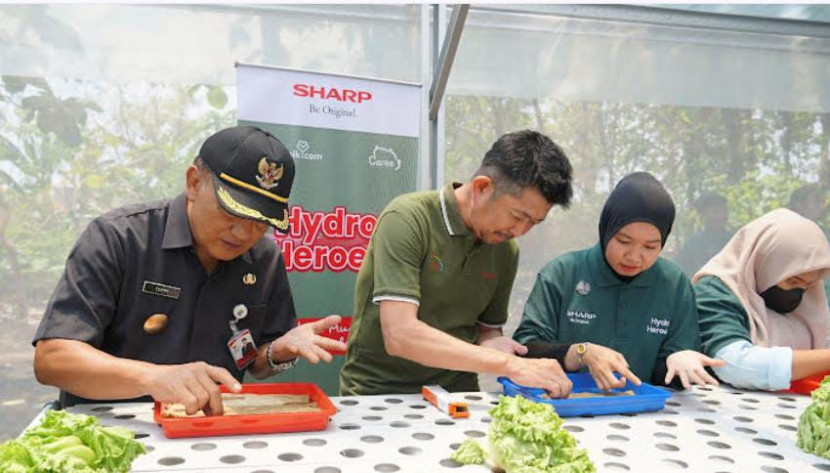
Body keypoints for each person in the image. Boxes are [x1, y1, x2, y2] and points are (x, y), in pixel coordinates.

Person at [33, 125, 346, 415]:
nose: (243, 233)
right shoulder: (118, 238)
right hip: (112, 428)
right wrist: (152, 378)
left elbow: (255, 362)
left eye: (260, 221)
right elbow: (52, 359)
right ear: (194, 182)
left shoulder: (264, 258)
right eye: (232, 210)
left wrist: (278, 351)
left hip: (210, 431)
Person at [339, 130, 575, 397]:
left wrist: (494, 344)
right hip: (381, 393)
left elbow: (487, 329)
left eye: (534, 222)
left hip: (458, 394)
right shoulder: (408, 218)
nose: (520, 230)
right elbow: (400, 336)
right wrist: (510, 365)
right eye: (517, 216)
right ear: (482, 187)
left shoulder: (505, 250)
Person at [513, 172, 723, 391]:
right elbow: (526, 348)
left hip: (647, 412)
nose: (634, 256)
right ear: (606, 230)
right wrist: (581, 353)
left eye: (650, 247)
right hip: (564, 405)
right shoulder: (563, 273)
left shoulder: (674, 284)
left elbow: (673, 372)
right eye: (624, 241)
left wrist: (678, 361)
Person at [694, 208, 830, 391]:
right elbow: (734, 365)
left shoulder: (814, 292)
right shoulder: (716, 292)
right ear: (764, 263)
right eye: (792, 281)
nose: (800, 292)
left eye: (808, 285)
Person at [674, 192, 733, 277]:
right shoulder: (693, 243)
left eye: (724, 210)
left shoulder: (735, 239)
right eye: (716, 211)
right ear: (703, 216)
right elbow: (679, 270)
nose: (721, 215)